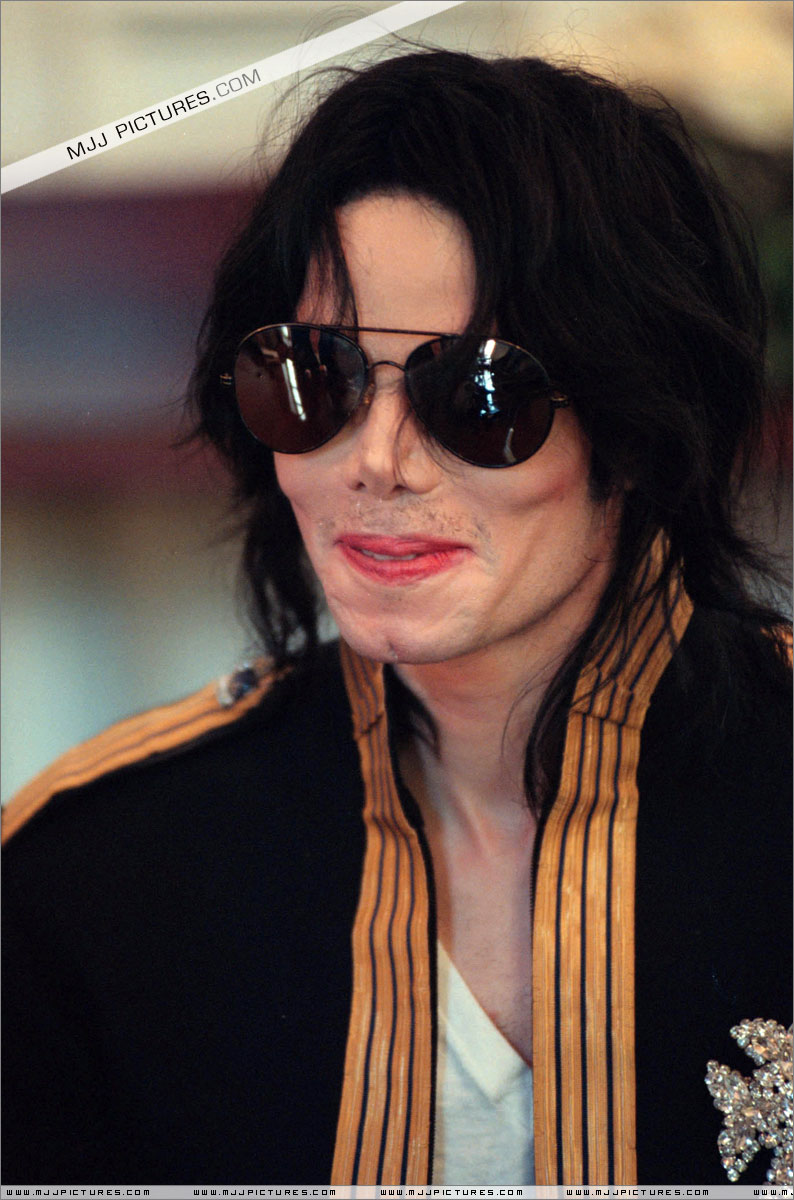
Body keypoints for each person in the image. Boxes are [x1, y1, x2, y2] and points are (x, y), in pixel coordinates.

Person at [2, 49, 791, 1188]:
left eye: (476, 392)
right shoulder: (92, 875)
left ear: (636, 428)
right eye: (313, 376)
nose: (374, 461)